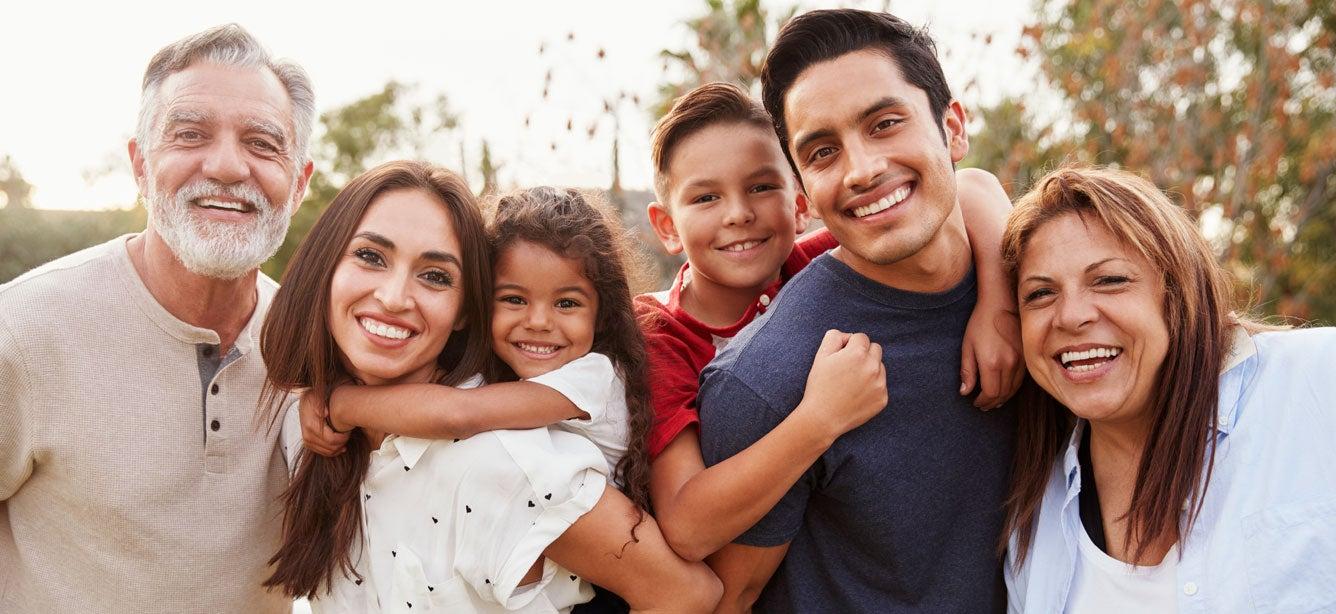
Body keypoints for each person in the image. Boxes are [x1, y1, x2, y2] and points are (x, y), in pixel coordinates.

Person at [265, 165, 719, 613]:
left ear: (466, 309)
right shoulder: (297, 426)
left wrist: (342, 404)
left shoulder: (504, 461)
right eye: (370, 256)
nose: (394, 297)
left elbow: (684, 595)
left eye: (436, 276)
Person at [695, 9, 1020, 612]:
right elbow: (728, 598)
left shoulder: (1040, 295)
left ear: (952, 129)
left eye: (886, 123)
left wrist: (1002, 300)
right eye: (822, 152)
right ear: (805, 196)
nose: (863, 170)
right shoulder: (771, 382)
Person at [636, 81, 1021, 564]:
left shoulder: (811, 267)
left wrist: (999, 304)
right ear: (667, 226)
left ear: (801, 205)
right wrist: (820, 419)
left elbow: (971, 184)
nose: (739, 214)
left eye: (761, 187)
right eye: (706, 198)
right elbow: (686, 526)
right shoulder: (656, 334)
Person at [0, 24, 313, 612]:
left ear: (298, 183)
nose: (226, 167)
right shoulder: (21, 329)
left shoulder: (312, 352)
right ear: (141, 165)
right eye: (190, 135)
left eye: (263, 144)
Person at [1000, 167, 1336, 613]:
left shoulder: (1316, 381)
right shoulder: (1032, 524)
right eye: (1040, 294)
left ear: (1177, 294)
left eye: (1110, 280)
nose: (1070, 316)